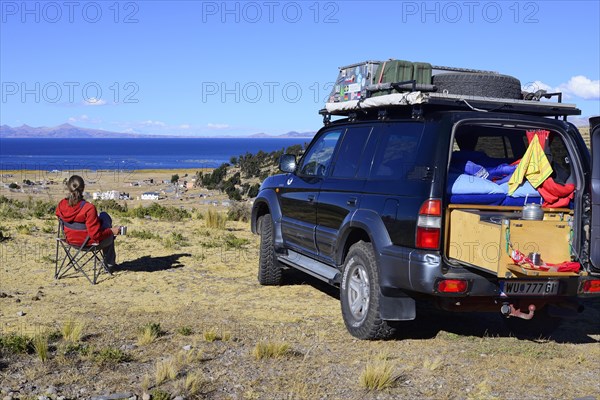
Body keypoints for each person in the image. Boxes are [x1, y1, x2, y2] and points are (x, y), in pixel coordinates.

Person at [55, 175, 122, 269]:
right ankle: (110, 265)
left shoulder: (61, 204)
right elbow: (95, 235)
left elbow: (58, 216)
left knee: (104, 217)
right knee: (106, 222)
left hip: (70, 241)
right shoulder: (89, 208)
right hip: (90, 244)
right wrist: (111, 231)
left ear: (69, 188)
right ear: (83, 188)